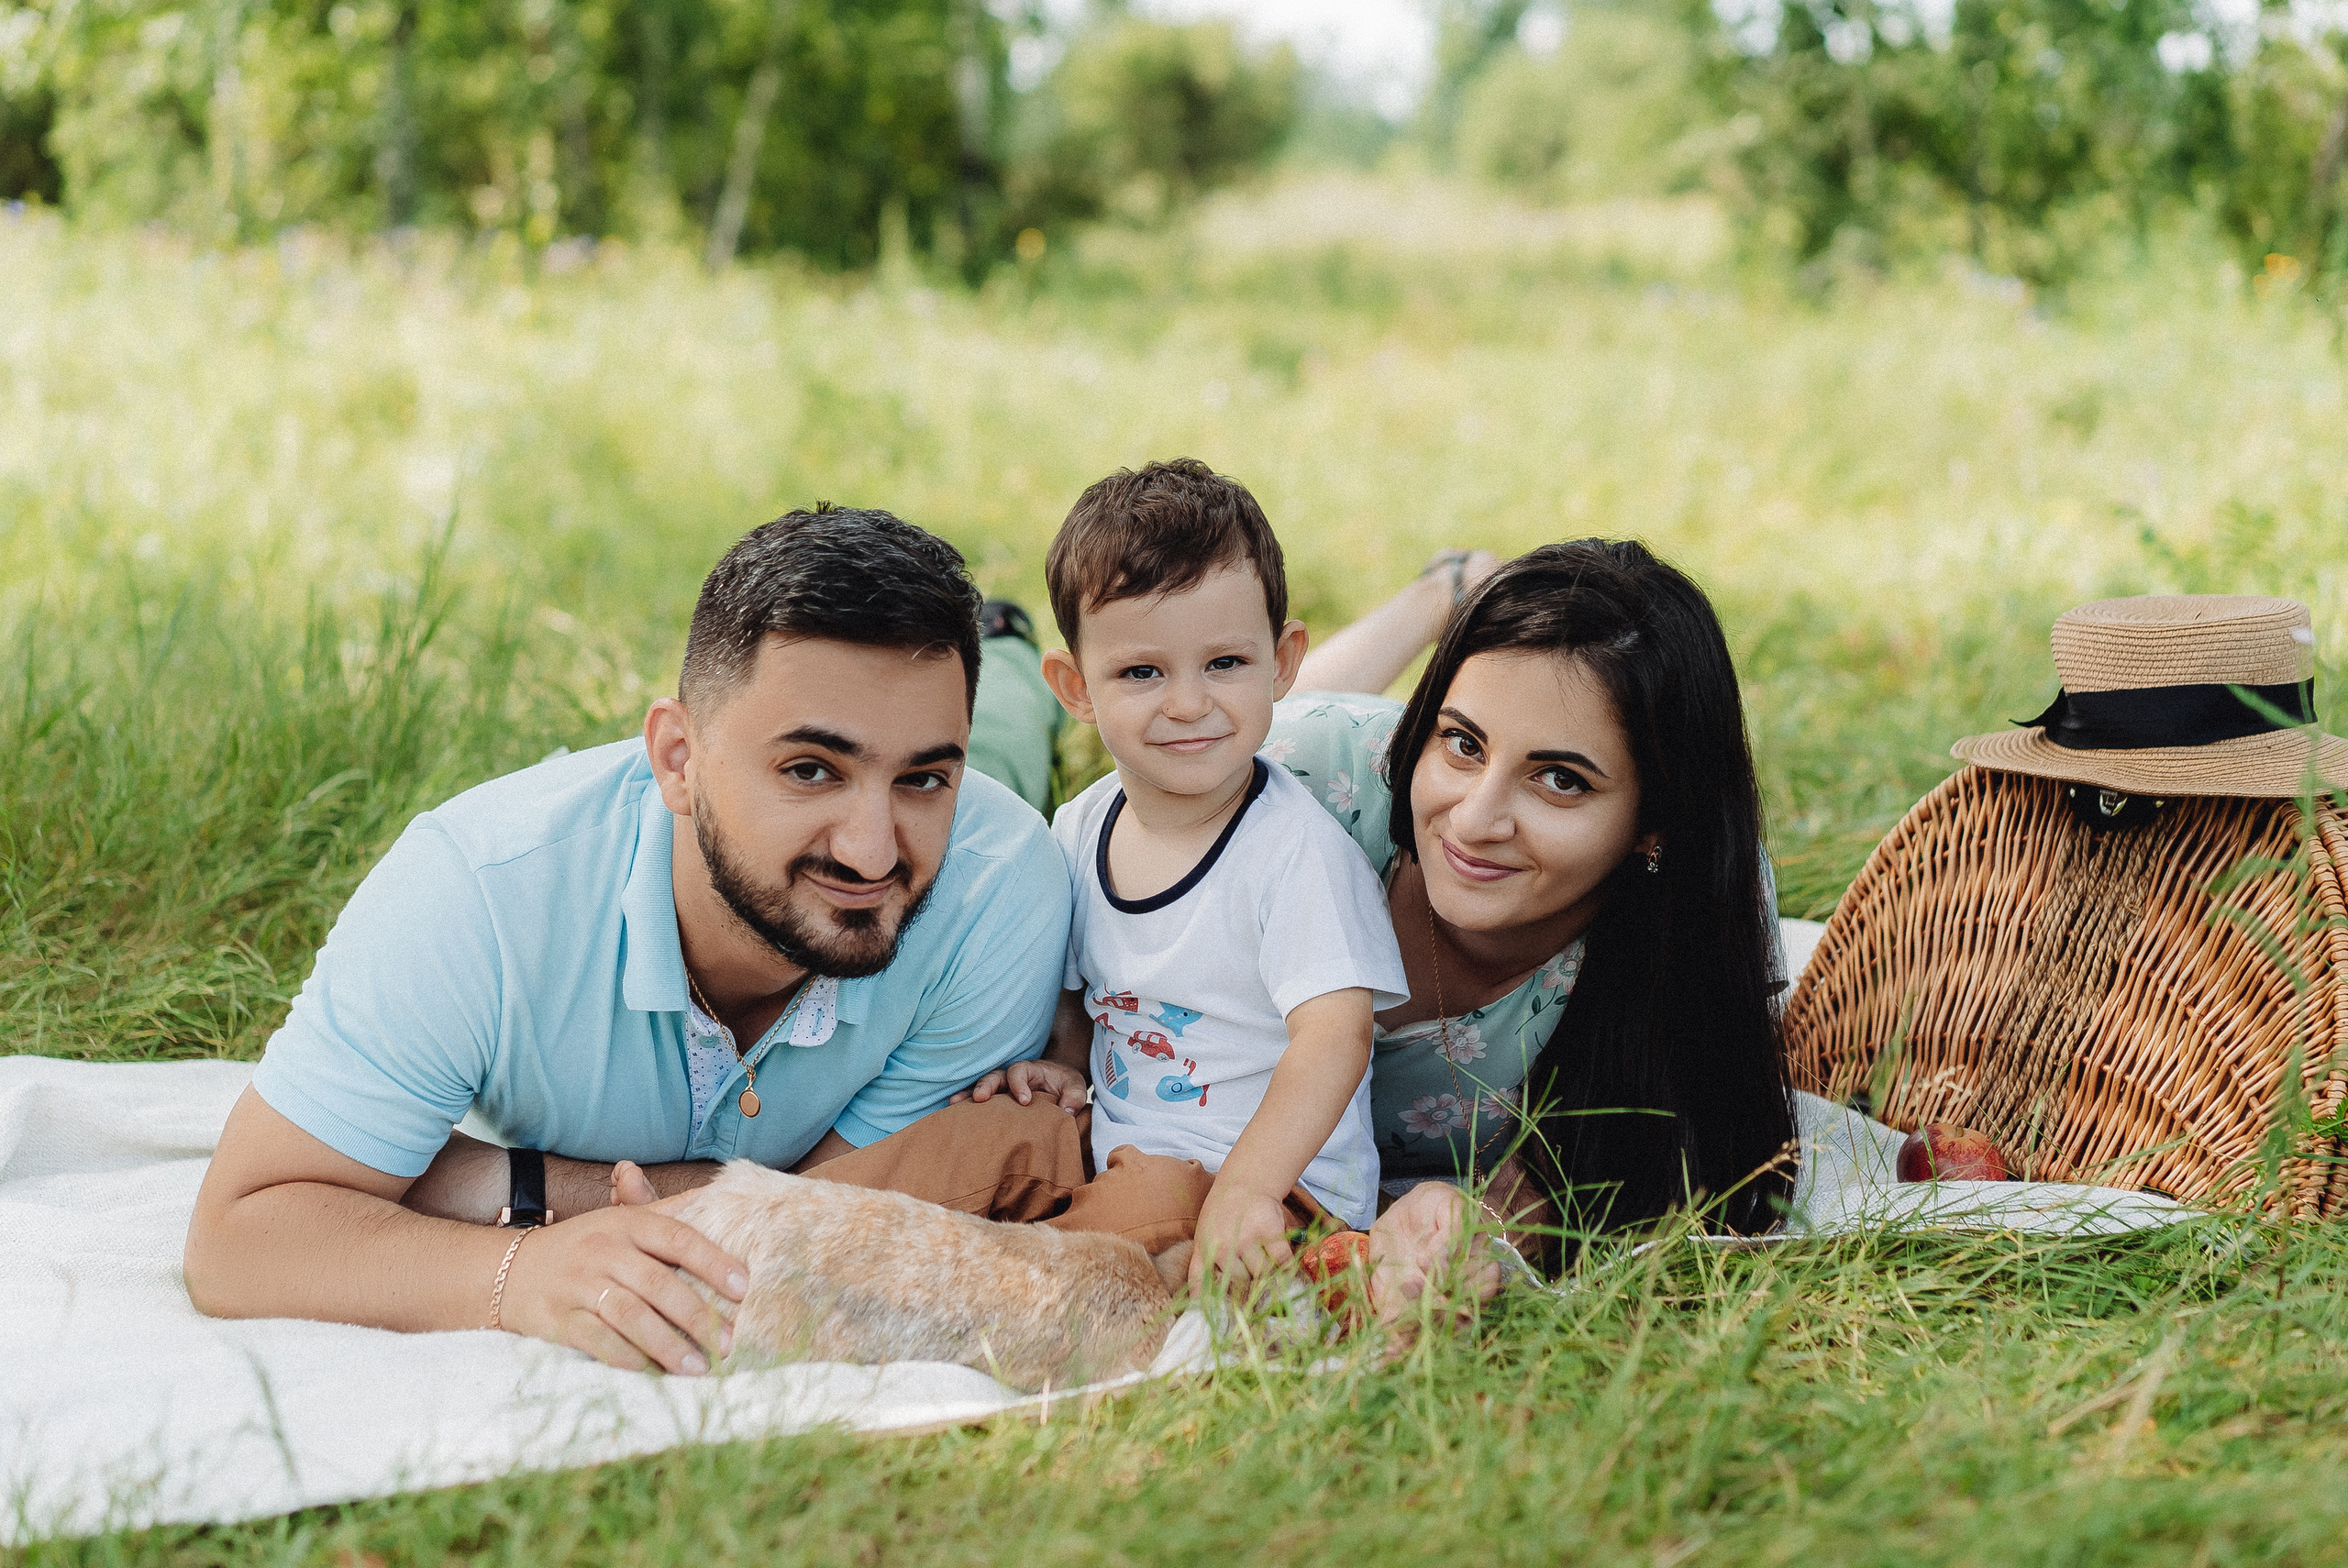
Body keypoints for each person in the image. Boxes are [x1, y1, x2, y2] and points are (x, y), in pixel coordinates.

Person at [184, 506, 1086, 1374]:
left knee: (1008, 740)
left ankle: (1000, 655)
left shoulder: (998, 892)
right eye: (811, 769)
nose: (871, 848)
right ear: (677, 759)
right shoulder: (475, 897)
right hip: (584, 843)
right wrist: (517, 1274)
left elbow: (815, 1225)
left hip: (990, 809)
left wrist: (506, 1185)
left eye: (925, 778)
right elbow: (240, 1237)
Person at [972, 536, 1797, 1283]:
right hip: (1318, 745)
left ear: (1656, 823)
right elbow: (1191, 718)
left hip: (1262, 1194)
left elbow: (1630, 1177)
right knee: (1000, 768)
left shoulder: (1688, 927)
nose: (1475, 822)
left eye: (1562, 780)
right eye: (1462, 742)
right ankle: (1009, 655)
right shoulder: (1314, 771)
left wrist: (1461, 1244)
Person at [1033, 459, 1410, 1284]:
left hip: (1276, 1194)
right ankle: (789, 1230)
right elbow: (1076, 1002)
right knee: (985, 1136)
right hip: (1124, 1159)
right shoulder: (1079, 828)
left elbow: (1334, 1037)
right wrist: (1057, 1074)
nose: (1188, 703)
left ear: (1281, 662)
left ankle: (1030, 1278)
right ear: (1075, 686)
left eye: (1224, 664)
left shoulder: (1296, 854)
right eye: (1141, 672)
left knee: (1131, 1231)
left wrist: (1247, 1188)